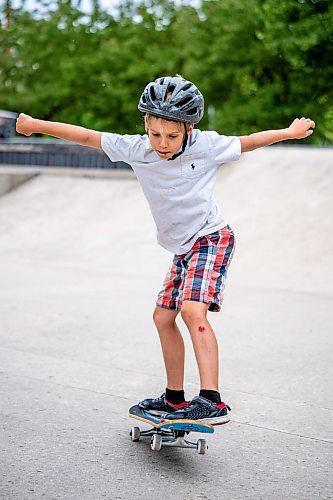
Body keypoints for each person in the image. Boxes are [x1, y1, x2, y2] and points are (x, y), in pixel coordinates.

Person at [16, 75, 315, 424]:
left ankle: (211, 400)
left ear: (188, 128)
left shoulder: (207, 145)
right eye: (155, 134)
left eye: (172, 136)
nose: (162, 144)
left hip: (211, 238)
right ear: (145, 124)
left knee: (192, 312)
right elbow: (85, 135)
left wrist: (288, 133)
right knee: (162, 317)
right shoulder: (135, 148)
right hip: (183, 248)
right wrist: (35, 125)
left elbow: (248, 142)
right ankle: (174, 399)